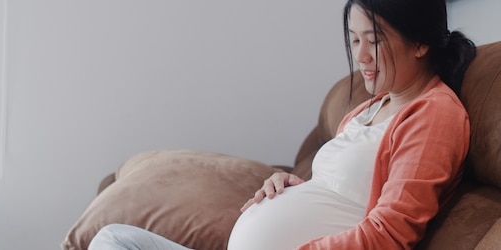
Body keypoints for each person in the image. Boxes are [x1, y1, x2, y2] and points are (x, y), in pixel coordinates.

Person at [89, 0, 476, 249]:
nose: (360, 56)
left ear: (421, 44)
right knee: (112, 239)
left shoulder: (435, 114)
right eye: (352, 39)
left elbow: (390, 233)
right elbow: (342, 197)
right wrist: (294, 186)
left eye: (372, 41)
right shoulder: (367, 109)